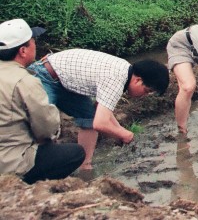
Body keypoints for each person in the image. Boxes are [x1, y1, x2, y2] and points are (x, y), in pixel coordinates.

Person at [27, 49, 168, 169]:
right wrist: (124, 134)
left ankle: (85, 166)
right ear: (137, 80)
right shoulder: (116, 79)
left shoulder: (125, 72)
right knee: (42, 126)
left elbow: (101, 113)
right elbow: (100, 123)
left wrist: (119, 131)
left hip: (64, 81)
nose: (145, 95)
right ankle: (31, 171)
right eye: (147, 90)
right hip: (44, 76)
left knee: (89, 116)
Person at [0, 19, 85, 184]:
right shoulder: (25, 81)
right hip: (10, 163)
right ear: (23, 51)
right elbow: (46, 128)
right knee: (76, 153)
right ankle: (29, 184)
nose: (35, 45)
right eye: (33, 41)